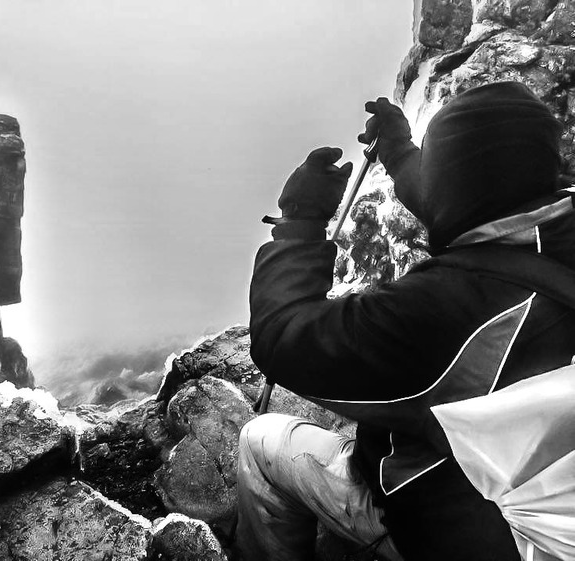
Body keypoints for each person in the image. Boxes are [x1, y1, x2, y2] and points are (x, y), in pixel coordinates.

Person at [237, 81, 575, 561]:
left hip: (476, 530)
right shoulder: (550, 220)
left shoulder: (446, 308)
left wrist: (300, 223)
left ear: (454, 181)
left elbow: (284, 340)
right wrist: (397, 149)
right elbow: (474, 197)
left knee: (259, 441)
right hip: (554, 504)